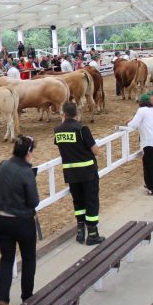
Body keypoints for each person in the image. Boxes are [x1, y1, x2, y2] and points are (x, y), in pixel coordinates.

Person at [0, 135, 39, 305]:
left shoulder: (2, 165)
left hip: (0, 220)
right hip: (22, 221)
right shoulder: (26, 172)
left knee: (6, 259)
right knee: (28, 258)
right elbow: (33, 201)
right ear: (28, 153)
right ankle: (27, 297)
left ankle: (2, 299)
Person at [53, 102, 105, 245]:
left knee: (78, 201)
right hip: (88, 171)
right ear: (76, 114)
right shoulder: (82, 129)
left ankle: (80, 232)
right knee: (91, 201)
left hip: (71, 173)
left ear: (63, 114)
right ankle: (93, 234)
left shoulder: (57, 130)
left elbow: (61, 145)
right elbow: (96, 151)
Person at [127, 94, 153, 195]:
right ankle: (150, 185)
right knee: (148, 163)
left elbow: (134, 124)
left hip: (150, 142)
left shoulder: (142, 110)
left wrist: (128, 123)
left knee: (152, 166)